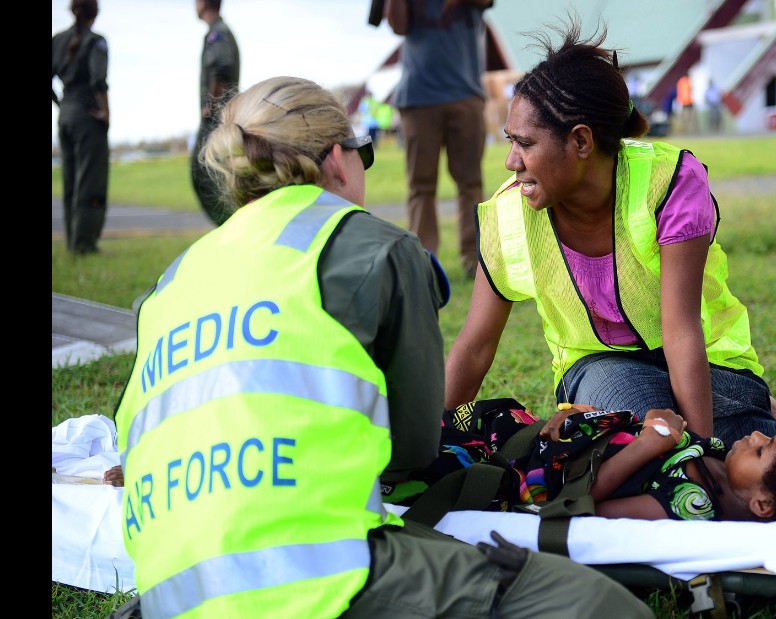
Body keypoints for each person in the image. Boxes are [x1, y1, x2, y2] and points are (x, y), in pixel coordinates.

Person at [109, 75, 654, 619]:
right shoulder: (376, 249)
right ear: (339, 160)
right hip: (308, 577)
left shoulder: (169, 282)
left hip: (166, 590)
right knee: (605, 607)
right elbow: (412, 448)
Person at [443, 16, 776, 450]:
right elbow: (474, 347)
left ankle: (748, 416)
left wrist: (700, 450)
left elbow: (681, 332)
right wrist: (429, 442)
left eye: (525, 144)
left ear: (581, 142)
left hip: (707, 364)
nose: (511, 161)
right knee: (640, 434)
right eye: (511, 141)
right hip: (602, 370)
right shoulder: (508, 215)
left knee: (743, 459)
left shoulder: (669, 181)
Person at [416, 401, 776, 523]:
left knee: (426, 449)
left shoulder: (691, 503)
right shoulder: (723, 467)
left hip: (530, 472)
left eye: (764, 449)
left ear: (763, 504)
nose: (756, 435)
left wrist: (649, 444)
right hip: (563, 437)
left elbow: (588, 506)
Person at [386, 0, 491, 279]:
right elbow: (397, 26)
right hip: (418, 98)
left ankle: (474, 257)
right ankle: (424, 259)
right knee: (420, 184)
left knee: (470, 181)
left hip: (465, 93)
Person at [52, 0, 110, 256]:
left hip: (65, 117)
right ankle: (84, 245)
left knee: (70, 182)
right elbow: (99, 79)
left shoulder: (57, 40)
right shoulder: (96, 41)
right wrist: (106, 113)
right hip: (87, 116)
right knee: (90, 181)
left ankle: (73, 242)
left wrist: (62, 105)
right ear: (94, 13)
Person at [191, 0, 240, 226]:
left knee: (204, 171)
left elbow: (221, 68)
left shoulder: (217, 34)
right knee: (209, 173)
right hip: (219, 115)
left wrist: (211, 105)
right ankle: (228, 224)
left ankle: (229, 224)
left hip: (216, 117)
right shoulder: (217, 32)